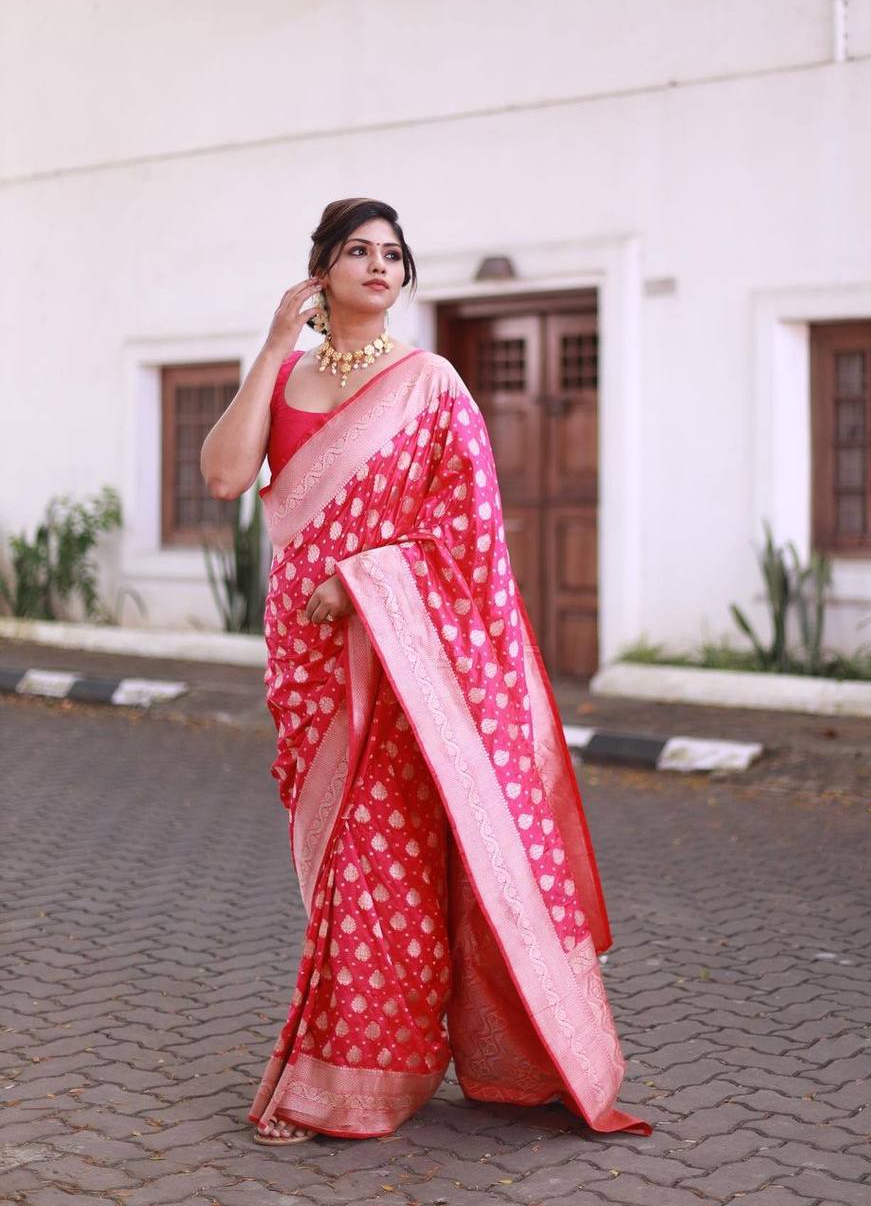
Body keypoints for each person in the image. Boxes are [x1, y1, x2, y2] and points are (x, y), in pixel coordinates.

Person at [200, 197, 650, 1145]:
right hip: (307, 655)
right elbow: (224, 477)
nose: (378, 266)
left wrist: (366, 581)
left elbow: (468, 526)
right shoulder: (285, 374)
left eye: (393, 255)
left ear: (407, 276)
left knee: (381, 859)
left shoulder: (431, 383)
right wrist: (274, 342)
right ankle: (377, 1060)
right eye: (357, 252)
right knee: (333, 865)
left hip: (403, 658)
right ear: (321, 270)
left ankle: (344, 1078)